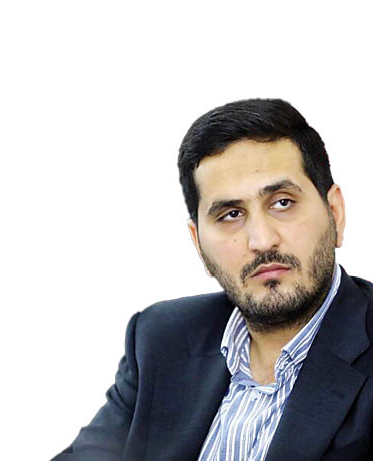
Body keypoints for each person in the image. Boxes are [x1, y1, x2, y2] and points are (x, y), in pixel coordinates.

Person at [52, 99, 373, 460]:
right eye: (231, 214)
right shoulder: (161, 340)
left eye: (282, 202)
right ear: (198, 244)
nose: (262, 240)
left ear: (335, 213)